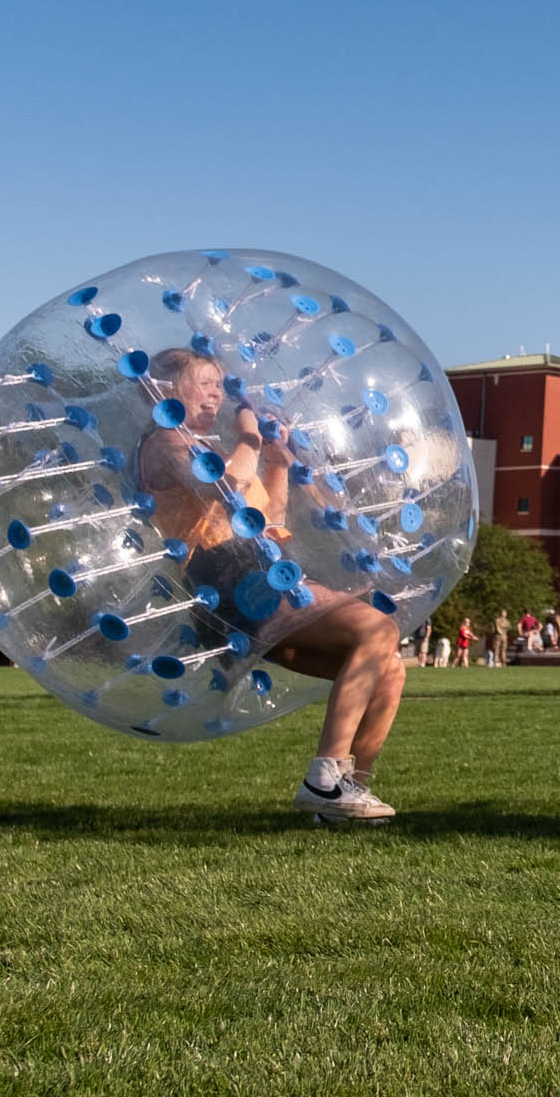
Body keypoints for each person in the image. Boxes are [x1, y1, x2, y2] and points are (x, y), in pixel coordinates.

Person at [140, 347, 408, 823]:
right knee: (378, 630)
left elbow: (269, 519)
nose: (215, 394)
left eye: (219, 386)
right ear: (167, 390)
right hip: (224, 578)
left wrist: (279, 462)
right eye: (204, 383)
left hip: (256, 567)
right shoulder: (166, 443)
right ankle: (324, 781)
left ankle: (346, 793)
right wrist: (250, 438)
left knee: (389, 669)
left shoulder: (207, 447)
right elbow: (225, 487)